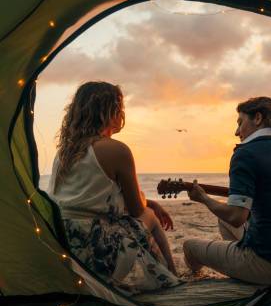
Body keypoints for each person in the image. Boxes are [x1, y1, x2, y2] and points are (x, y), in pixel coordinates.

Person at [48, 81, 179, 294]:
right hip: (96, 252)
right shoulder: (117, 150)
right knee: (151, 217)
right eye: (120, 107)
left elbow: (91, 202)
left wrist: (151, 201)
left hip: (63, 244)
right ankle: (173, 278)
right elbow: (137, 210)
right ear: (109, 111)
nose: (122, 113)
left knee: (148, 209)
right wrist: (151, 206)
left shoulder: (64, 152)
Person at [183, 96, 271, 286]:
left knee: (189, 247)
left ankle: (195, 284)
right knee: (223, 223)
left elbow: (236, 216)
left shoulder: (246, 153)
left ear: (258, 118)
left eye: (240, 123)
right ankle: (240, 263)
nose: (236, 131)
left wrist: (203, 198)